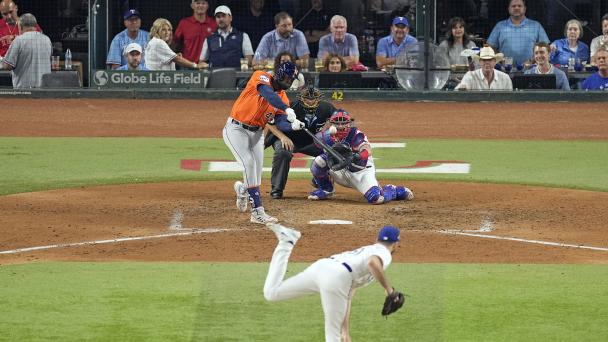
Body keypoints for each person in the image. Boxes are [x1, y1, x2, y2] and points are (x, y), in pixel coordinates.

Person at [263, 223, 404, 342]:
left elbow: (347, 295)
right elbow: (373, 263)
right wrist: (389, 290)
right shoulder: (384, 253)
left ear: (377, 239)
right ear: (396, 244)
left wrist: (345, 331)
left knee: (272, 293)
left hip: (322, 267)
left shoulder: (368, 249)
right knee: (332, 336)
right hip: (337, 277)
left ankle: (286, 242)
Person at [223, 61, 304, 224]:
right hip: (236, 129)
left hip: (257, 134)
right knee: (248, 163)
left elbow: (279, 122)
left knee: (256, 174)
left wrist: (293, 126)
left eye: (292, 80)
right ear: (279, 74)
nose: (289, 82)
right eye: (288, 78)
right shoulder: (260, 76)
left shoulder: (283, 98)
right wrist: (287, 109)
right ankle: (257, 212)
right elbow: (267, 93)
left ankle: (243, 189)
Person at [307, 109, 414, 204]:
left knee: (376, 198)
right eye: (337, 123)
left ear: (349, 124)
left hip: (360, 172)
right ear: (331, 124)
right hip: (340, 171)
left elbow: (367, 149)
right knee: (319, 162)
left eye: (343, 123)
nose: (340, 126)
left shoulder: (355, 135)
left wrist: (357, 156)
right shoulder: (325, 136)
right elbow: (316, 141)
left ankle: (392, 190)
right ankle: (326, 189)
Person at [265, 85, 336, 199]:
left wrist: (329, 126)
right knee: (283, 153)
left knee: (332, 150)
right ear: (301, 98)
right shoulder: (290, 106)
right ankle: (277, 189)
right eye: (307, 98)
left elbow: (341, 117)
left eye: (314, 98)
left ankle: (321, 180)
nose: (311, 101)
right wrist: (282, 137)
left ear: (319, 98)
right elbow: (270, 121)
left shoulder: (326, 107)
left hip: (311, 142)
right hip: (288, 140)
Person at [486, 0, 549, 67]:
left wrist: (532, 60)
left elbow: (546, 47)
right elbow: (489, 47)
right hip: (505, 71)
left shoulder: (536, 25)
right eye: (513, 6)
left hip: (531, 70)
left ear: (524, 9)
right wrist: (500, 59)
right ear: (509, 9)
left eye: (519, 6)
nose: (516, 8)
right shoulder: (500, 26)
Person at [1, 13, 50, 89]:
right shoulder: (47, 39)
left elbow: (7, 66)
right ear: (35, 26)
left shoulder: (19, 40)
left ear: (20, 26)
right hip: (44, 91)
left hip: (24, 91)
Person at [174, 0, 217, 64]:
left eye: (203, 3)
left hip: (208, 66)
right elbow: (175, 42)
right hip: (187, 66)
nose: (201, 5)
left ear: (207, 6)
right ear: (192, 5)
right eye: (198, 3)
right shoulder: (184, 23)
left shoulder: (214, 24)